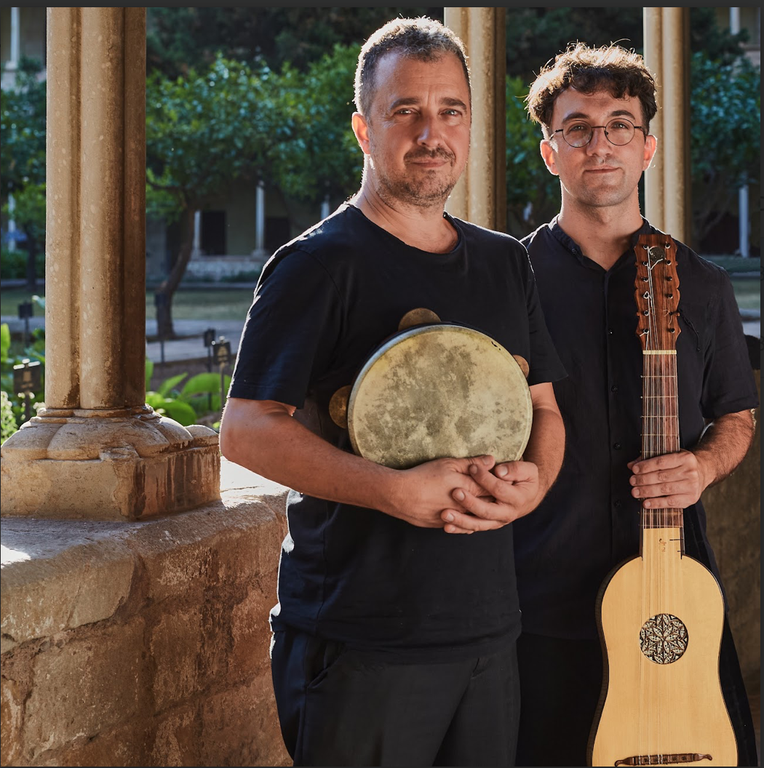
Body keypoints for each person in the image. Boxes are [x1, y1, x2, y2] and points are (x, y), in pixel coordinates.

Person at [219, 17, 566, 768]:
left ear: (469, 125)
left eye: (450, 110)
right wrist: (394, 492)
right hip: (361, 638)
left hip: (487, 629)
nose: (430, 132)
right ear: (364, 129)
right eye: (405, 109)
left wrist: (535, 484)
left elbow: (543, 408)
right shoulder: (316, 265)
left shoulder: (506, 263)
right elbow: (245, 428)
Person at [505, 42, 759, 766]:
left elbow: (737, 415)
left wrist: (703, 466)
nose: (601, 144)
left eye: (620, 125)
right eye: (578, 128)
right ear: (551, 153)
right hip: (542, 597)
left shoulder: (702, 284)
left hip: (675, 597)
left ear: (647, 147)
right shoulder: (508, 281)